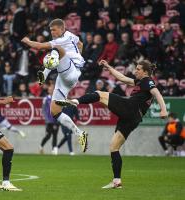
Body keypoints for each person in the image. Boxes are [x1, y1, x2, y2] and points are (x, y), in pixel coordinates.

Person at [56, 59, 168, 188]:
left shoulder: (147, 81)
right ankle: (117, 181)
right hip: (134, 118)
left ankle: (74, 101)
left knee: (99, 94)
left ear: (145, 72)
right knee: (114, 148)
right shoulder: (140, 82)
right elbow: (123, 78)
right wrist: (109, 67)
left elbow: (157, 93)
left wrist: (163, 109)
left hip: (130, 108)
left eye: (138, 69)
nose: (135, 71)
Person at [21, 18, 88, 152]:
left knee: (55, 49)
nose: (52, 32)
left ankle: (44, 74)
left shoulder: (61, 40)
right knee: (55, 112)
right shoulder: (71, 35)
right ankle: (80, 133)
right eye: (50, 30)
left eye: (54, 30)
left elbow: (39, 46)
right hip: (64, 77)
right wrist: (78, 55)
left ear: (62, 29)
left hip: (72, 70)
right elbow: (80, 44)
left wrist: (27, 41)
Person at [40, 84, 60, 155]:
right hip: (49, 121)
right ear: (48, 90)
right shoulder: (46, 99)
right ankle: (41, 146)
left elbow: (60, 109)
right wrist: (46, 119)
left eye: (52, 89)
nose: (51, 91)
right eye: (50, 89)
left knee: (55, 135)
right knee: (48, 135)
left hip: (56, 120)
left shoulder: (57, 99)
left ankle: (54, 150)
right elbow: (44, 110)